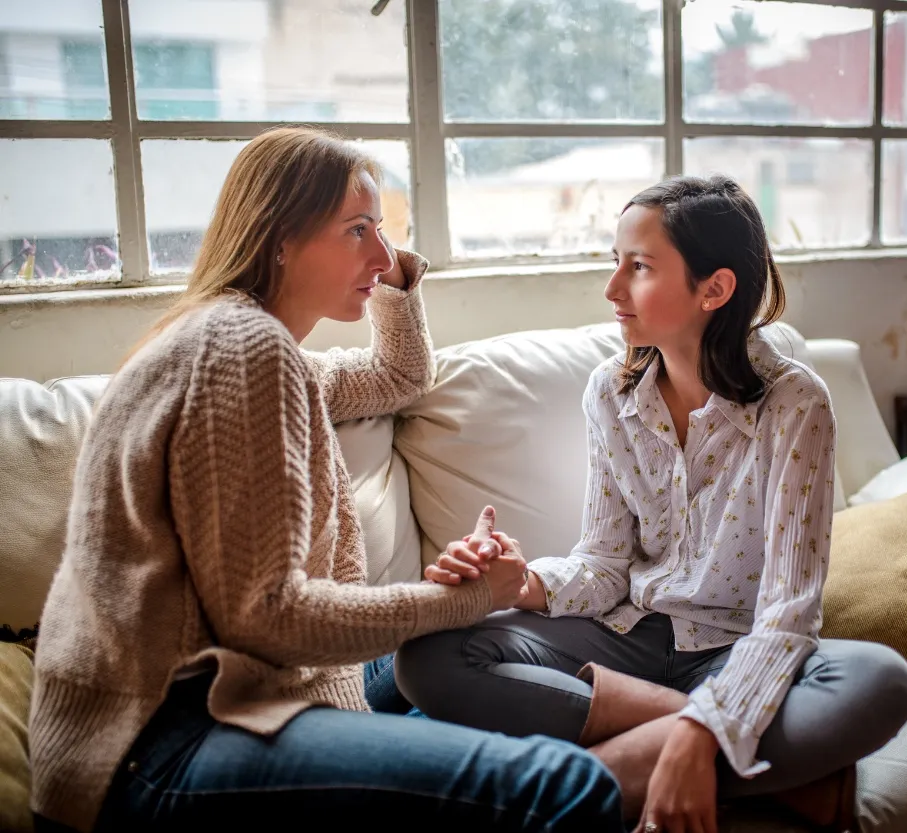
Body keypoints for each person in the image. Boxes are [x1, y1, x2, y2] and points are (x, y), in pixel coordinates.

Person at [28, 127, 624, 833]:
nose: (383, 252)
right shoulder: (240, 353)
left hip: (237, 699)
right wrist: (454, 599)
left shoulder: (252, 346)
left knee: (466, 640)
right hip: (162, 742)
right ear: (279, 237)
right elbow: (270, 617)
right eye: (357, 231)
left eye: (382, 229)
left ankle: (677, 726)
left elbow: (397, 377)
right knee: (569, 786)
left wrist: (390, 278)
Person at [396, 175, 907, 833]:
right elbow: (604, 562)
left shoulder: (794, 402)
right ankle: (746, 768)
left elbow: (788, 613)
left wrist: (704, 724)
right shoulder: (609, 393)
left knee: (880, 679)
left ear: (714, 288)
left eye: (637, 267)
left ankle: (590, 783)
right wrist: (522, 583)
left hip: (737, 646)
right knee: (426, 657)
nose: (612, 288)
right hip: (627, 633)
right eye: (615, 263)